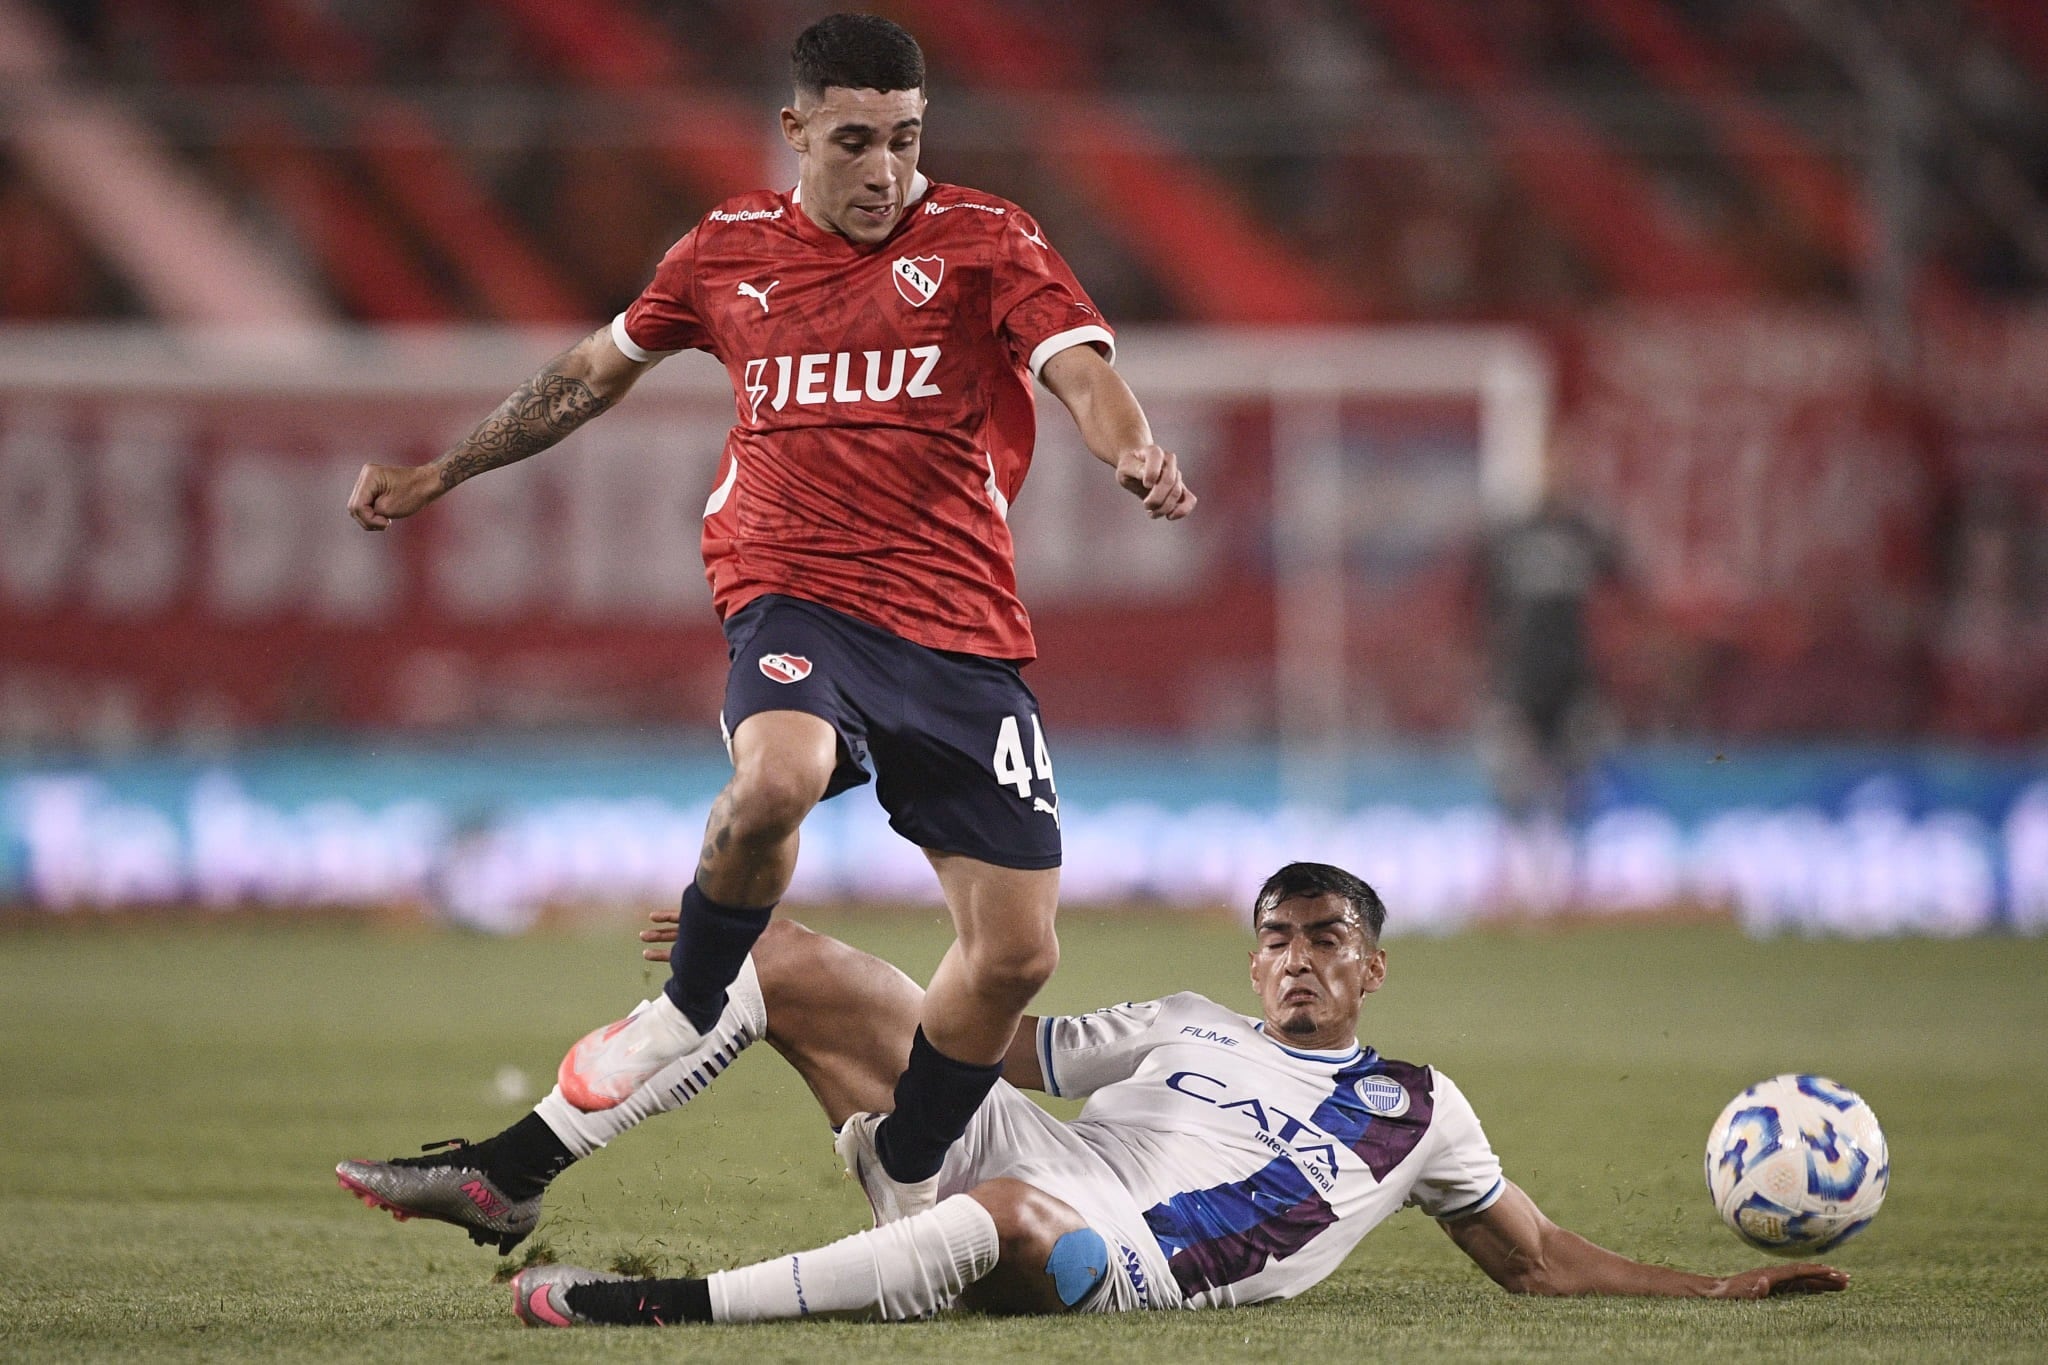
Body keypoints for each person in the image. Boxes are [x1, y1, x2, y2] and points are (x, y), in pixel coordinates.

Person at [343, 13, 1194, 1211]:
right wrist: (441, 471)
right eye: (853, 141)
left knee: (1014, 953)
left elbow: (1079, 370)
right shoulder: (724, 250)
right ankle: (686, 1009)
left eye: (903, 140)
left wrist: (1134, 451)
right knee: (775, 779)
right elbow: (588, 374)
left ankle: (907, 1167)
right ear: (795, 129)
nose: (883, 170)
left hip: (959, 633)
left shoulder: (983, 239)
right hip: (793, 598)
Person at [336, 862, 1847, 1324]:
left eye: (1330, 940)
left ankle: (648, 1310)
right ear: (1252, 962)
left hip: (1131, 1251)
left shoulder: (1421, 1105)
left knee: (1010, 1213)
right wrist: (807, 972)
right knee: (779, 949)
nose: (1301, 959)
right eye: (1281, 938)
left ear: (1373, 970)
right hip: (1019, 1140)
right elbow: (1001, 1043)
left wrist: (1720, 1292)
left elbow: (1537, 1260)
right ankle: (516, 1167)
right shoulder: (1186, 1018)